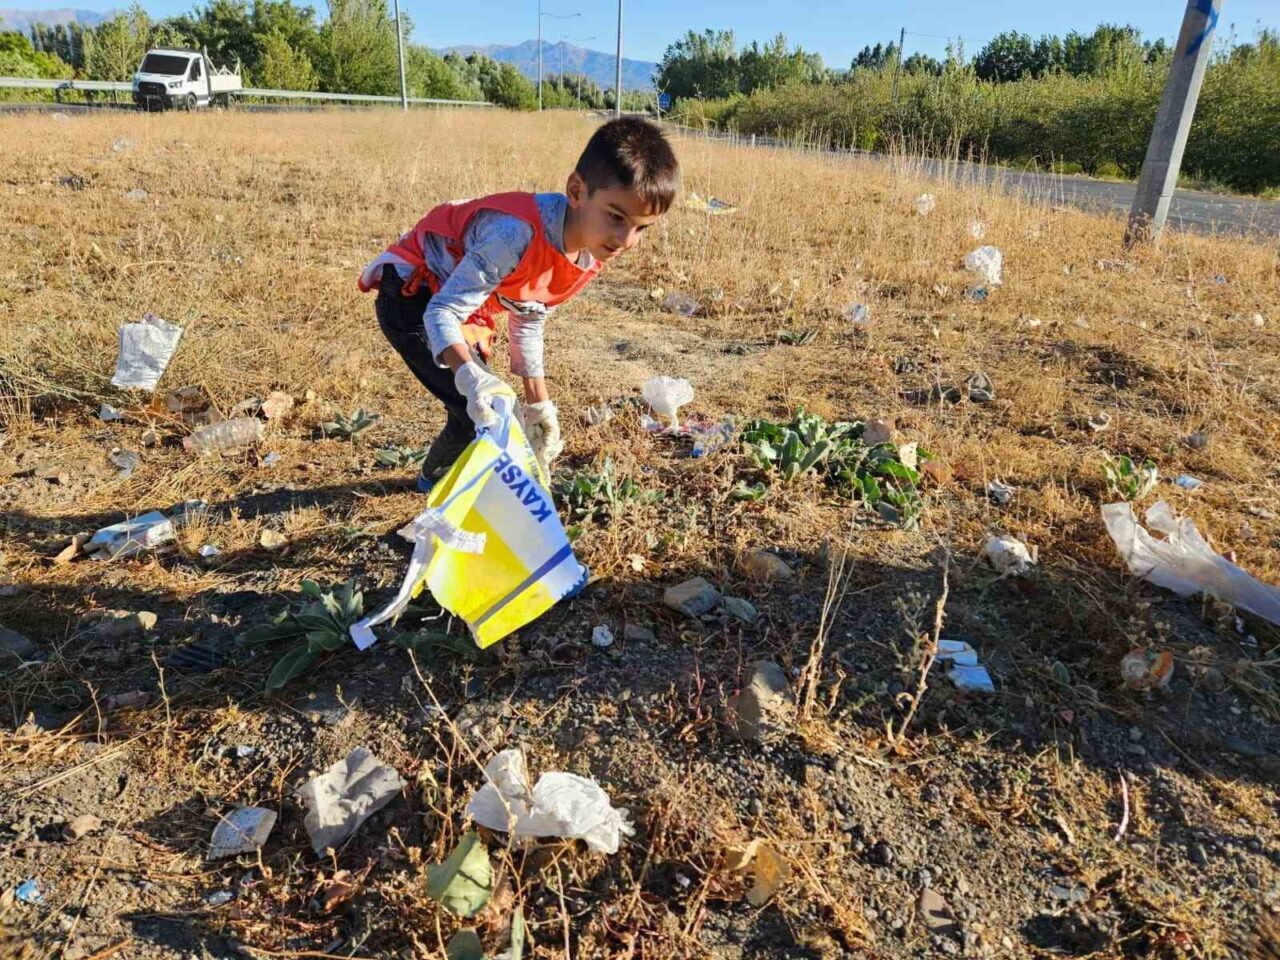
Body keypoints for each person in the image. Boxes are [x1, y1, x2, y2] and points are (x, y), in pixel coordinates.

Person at [359, 116, 680, 491]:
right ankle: (436, 485)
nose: (626, 240)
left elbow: (529, 313)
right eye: (616, 217)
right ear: (576, 191)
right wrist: (472, 377)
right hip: (412, 294)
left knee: (493, 407)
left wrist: (538, 405)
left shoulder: (589, 253)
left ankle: (447, 480)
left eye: (642, 228)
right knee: (479, 409)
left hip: (461, 302)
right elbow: (441, 312)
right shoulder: (516, 234)